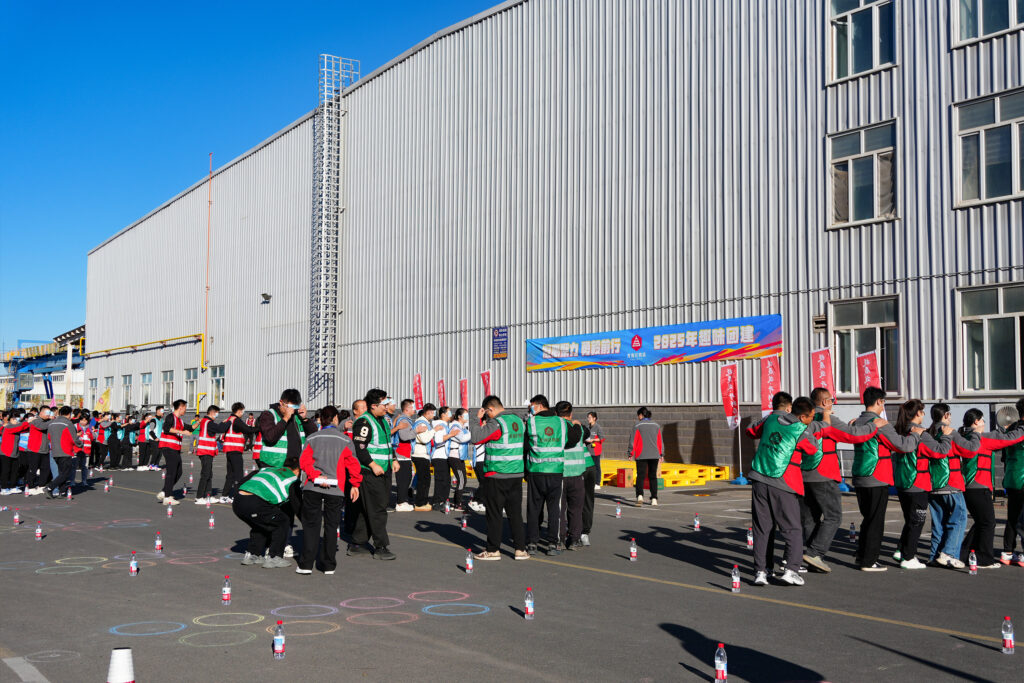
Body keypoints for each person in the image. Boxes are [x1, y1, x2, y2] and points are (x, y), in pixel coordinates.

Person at [800, 387, 878, 573]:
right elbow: (853, 436)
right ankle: (815, 553)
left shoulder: (803, 419)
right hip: (824, 473)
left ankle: (812, 554)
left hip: (804, 473)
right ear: (825, 402)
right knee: (833, 516)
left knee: (810, 517)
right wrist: (874, 426)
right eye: (832, 399)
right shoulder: (828, 419)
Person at [746, 393, 818, 586]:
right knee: (793, 528)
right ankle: (791, 570)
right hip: (783, 482)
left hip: (759, 477)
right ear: (803, 417)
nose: (813, 420)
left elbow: (751, 430)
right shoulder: (800, 430)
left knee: (762, 528)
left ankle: (761, 571)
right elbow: (813, 449)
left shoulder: (771, 418)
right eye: (812, 417)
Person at [851, 386, 919, 572]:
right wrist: (915, 435)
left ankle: (862, 556)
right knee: (875, 521)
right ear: (880, 401)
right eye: (883, 402)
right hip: (876, 476)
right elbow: (902, 446)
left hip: (860, 475)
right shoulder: (879, 423)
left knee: (868, 518)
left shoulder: (857, 422)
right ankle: (869, 561)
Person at [297, 406, 362, 575]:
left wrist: (316, 475)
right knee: (331, 526)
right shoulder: (344, 440)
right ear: (335, 419)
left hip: (313, 486)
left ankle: (305, 564)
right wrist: (355, 484)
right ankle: (328, 564)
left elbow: (304, 462)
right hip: (336, 488)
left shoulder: (312, 438)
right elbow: (353, 464)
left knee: (311, 526)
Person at [957, 409, 1019, 569]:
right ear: (976, 421)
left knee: (981, 522)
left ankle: (963, 553)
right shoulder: (982, 439)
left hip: (969, 487)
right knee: (988, 522)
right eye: (982, 419)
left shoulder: (965, 437)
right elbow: (1009, 439)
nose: (984, 422)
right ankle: (984, 558)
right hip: (979, 487)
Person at [891, 400, 949, 569]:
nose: (924, 415)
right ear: (917, 414)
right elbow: (940, 451)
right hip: (918, 482)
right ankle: (909, 558)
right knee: (917, 521)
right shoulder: (921, 434)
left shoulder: (900, 430)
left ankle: (901, 550)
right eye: (922, 412)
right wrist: (946, 435)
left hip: (903, 482)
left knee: (910, 520)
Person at [470, 394, 529, 561]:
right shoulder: (518, 421)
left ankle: (493, 550)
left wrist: (476, 420)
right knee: (515, 514)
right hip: (516, 473)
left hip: (497, 474)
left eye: (487, 413)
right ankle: (520, 549)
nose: (487, 416)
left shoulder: (497, 423)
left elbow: (476, 438)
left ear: (490, 409)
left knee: (494, 514)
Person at [345, 388, 399, 560]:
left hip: (385, 470)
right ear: (374, 406)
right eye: (384, 404)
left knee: (366, 508)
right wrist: (372, 464)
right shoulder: (364, 422)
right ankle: (381, 546)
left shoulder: (383, 420)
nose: (387, 406)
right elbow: (359, 447)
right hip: (370, 472)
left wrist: (394, 459)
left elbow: (387, 443)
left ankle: (357, 543)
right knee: (378, 509)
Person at [233, 456, 301, 569]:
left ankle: (253, 554)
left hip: (238, 502)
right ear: (298, 470)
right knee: (283, 521)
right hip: (255, 502)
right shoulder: (292, 479)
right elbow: (297, 505)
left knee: (261, 523)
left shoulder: (268, 469)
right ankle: (274, 557)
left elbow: (242, 482)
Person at [524, 394, 566, 555]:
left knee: (534, 508)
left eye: (532, 405)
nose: (531, 409)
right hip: (555, 471)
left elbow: (526, 445)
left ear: (540, 405)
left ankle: (532, 543)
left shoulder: (531, 422)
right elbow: (567, 441)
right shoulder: (561, 423)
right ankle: (552, 545)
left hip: (536, 471)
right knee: (554, 509)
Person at [556, 401, 589, 551]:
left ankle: (560, 539)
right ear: (571, 414)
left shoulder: (557, 428)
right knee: (576, 509)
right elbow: (586, 433)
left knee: (559, 510)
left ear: (557, 414)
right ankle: (574, 539)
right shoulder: (580, 428)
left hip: (561, 474)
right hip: (577, 475)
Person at [1000, 398, 1024, 566]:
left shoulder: (1010, 431)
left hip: (1011, 478)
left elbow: (1003, 458)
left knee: (1012, 517)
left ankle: (1008, 552)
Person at [220, 402, 259, 503]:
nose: (243, 413)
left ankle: (225, 495)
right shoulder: (236, 420)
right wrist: (259, 428)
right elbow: (248, 430)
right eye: (242, 411)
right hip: (235, 450)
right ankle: (237, 495)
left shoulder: (229, 419)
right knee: (238, 474)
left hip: (229, 450)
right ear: (239, 410)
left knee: (230, 474)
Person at [156, 399, 192, 505]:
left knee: (179, 471)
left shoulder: (180, 421)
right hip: (168, 447)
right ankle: (167, 497)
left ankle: (165, 491)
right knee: (171, 471)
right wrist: (182, 431)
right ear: (180, 407)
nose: (185, 410)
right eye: (185, 407)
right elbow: (166, 428)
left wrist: (199, 423)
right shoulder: (170, 417)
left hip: (175, 448)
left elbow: (190, 428)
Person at [45, 406, 83, 498]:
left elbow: (48, 437)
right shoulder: (68, 423)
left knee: (62, 472)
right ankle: (50, 487)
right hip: (65, 450)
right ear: (69, 414)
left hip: (54, 451)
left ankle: (62, 491)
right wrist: (80, 444)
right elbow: (74, 438)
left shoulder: (51, 423)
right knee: (65, 473)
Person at [193, 405, 223, 504]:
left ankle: (208, 495)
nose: (217, 415)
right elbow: (220, 428)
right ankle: (199, 497)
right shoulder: (208, 422)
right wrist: (229, 422)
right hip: (205, 452)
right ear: (212, 412)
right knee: (205, 474)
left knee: (209, 474)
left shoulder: (206, 422)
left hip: (207, 452)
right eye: (217, 413)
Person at [21, 406, 53, 495]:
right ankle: (30, 486)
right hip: (34, 450)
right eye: (47, 413)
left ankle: (41, 485)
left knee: (45, 469)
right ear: (41, 413)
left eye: (50, 413)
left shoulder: (48, 422)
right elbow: (42, 427)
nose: (49, 415)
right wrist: (52, 420)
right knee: (33, 469)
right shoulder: (35, 420)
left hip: (45, 450)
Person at [391, 399, 416, 511]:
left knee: (407, 477)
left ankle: (403, 500)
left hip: (405, 453)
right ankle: (400, 502)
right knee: (403, 479)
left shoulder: (407, 420)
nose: (414, 408)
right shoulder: (404, 420)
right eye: (412, 406)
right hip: (401, 452)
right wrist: (417, 431)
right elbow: (404, 436)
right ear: (407, 408)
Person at [411, 403, 436, 512]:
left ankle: (423, 501)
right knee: (423, 480)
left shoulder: (425, 422)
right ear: (429, 412)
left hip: (424, 454)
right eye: (433, 413)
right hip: (419, 454)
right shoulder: (421, 422)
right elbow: (424, 438)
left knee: (425, 479)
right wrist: (434, 430)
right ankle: (420, 503)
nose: (434, 415)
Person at [447, 408, 472, 510]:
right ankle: (458, 503)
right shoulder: (455, 426)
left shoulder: (462, 427)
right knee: (461, 480)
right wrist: (471, 433)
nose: (467, 417)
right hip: (454, 456)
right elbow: (462, 438)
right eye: (465, 415)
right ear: (459, 416)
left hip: (460, 456)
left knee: (463, 479)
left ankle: (456, 501)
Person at [431, 406, 454, 509]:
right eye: (449, 412)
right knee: (441, 480)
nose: (450, 414)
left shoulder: (445, 424)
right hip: (439, 456)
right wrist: (451, 435)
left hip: (444, 456)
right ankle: (437, 502)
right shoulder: (440, 425)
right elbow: (439, 439)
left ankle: (443, 500)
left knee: (446, 480)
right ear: (443, 414)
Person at [1, 410, 28, 494]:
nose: (17, 420)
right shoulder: (8, 426)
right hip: (6, 453)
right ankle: (4, 488)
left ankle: (13, 486)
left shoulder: (15, 426)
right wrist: (27, 422)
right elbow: (20, 427)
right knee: (6, 471)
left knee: (15, 471)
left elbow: (23, 429)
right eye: (15, 418)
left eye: (17, 418)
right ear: (10, 419)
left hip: (15, 453)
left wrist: (29, 422)